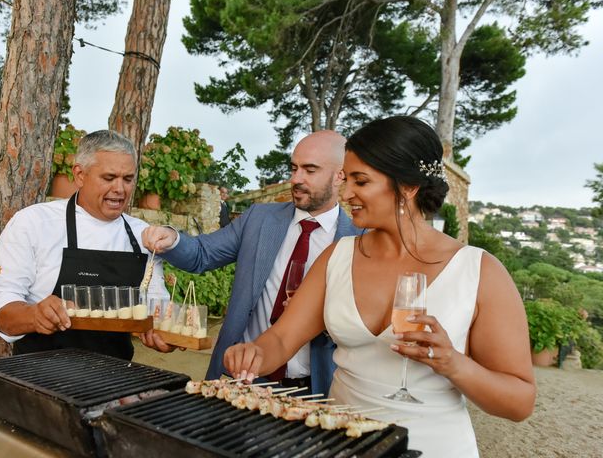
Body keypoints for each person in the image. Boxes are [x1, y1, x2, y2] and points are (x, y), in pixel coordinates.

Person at [222, 117, 536, 457]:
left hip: (433, 447)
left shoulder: (480, 272)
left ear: (408, 186)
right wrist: (255, 353)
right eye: (346, 179)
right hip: (341, 442)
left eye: (361, 180)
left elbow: (519, 402)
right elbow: (282, 339)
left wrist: (452, 363)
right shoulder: (337, 257)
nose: (345, 193)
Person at [142, 130, 361, 395]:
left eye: (309, 170)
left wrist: (325, 314)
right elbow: (203, 253)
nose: (296, 179)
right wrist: (172, 239)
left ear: (340, 175)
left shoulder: (359, 240)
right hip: (239, 382)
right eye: (293, 168)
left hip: (315, 389)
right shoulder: (259, 218)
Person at [0, 130, 175, 360]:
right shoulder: (34, 223)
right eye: (109, 177)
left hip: (113, 376)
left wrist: (165, 332)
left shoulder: (142, 235)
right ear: (80, 174)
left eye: (128, 179)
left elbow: (157, 305)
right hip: (39, 375)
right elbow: (0, 307)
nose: (120, 189)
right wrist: (35, 315)